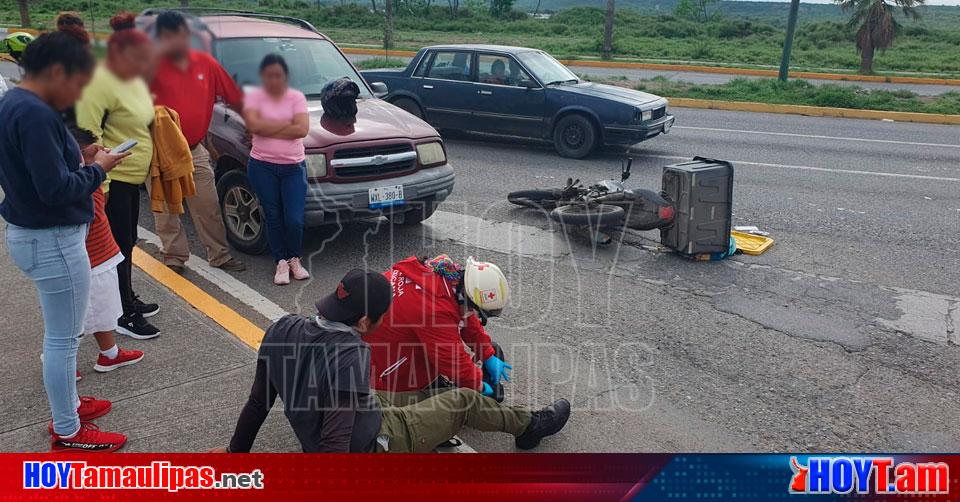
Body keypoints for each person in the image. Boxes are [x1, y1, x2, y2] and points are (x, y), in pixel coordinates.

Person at [215, 269, 570, 453]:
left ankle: (474, 413)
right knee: (463, 400)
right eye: (385, 316)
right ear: (365, 321)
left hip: (363, 412)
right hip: (375, 442)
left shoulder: (282, 328)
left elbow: (259, 402)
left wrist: (235, 453)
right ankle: (530, 425)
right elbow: (338, 440)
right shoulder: (350, 354)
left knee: (433, 395)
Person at [0, 27, 129, 452]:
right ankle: (68, 429)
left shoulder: (16, 103)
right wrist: (100, 168)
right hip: (52, 237)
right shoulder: (35, 113)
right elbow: (54, 189)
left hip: (38, 234)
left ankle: (70, 406)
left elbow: (40, 172)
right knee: (63, 338)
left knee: (63, 334)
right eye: (77, 80)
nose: (78, 92)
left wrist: (80, 159)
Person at [76, 12, 161, 339]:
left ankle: (128, 297)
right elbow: (88, 132)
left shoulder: (134, 80)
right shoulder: (100, 83)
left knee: (128, 242)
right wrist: (104, 181)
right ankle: (122, 313)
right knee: (116, 247)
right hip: (115, 180)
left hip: (133, 179)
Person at [149, 10, 245, 274]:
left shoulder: (206, 64)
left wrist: (252, 126)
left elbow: (234, 98)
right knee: (167, 210)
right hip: (160, 152)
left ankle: (220, 255)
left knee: (208, 205)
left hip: (194, 149)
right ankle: (174, 256)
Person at [365, 255, 513, 406]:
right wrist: (480, 387)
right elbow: (453, 361)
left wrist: (487, 354)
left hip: (379, 346)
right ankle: (422, 387)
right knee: (456, 396)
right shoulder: (431, 311)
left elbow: (466, 315)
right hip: (384, 375)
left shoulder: (445, 272)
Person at [70, 126, 147, 374]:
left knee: (101, 311)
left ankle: (109, 353)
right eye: (93, 154)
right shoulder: (78, 184)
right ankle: (62, 364)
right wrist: (99, 168)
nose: (101, 156)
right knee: (76, 320)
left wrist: (98, 165)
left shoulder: (85, 177)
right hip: (88, 262)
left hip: (100, 257)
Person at [242, 54, 310, 285]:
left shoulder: (296, 98)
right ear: (263, 77)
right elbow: (252, 125)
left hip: (293, 167)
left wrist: (265, 128)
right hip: (262, 166)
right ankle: (280, 261)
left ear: (285, 76)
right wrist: (285, 126)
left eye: (278, 75)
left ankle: (294, 258)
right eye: (269, 76)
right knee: (273, 215)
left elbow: (301, 129)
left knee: (294, 219)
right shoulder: (254, 98)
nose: (274, 80)